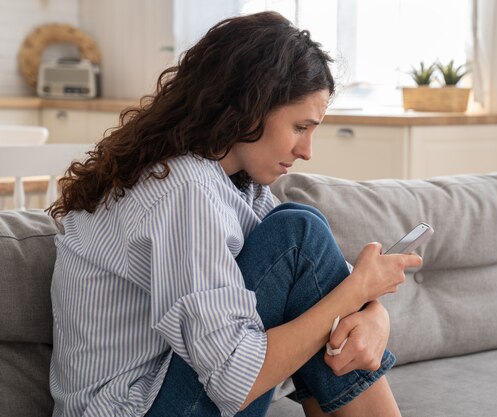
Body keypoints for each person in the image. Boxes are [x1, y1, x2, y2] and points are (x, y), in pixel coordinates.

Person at [47, 11, 421, 417]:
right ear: (250, 107)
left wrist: (374, 314)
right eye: (300, 127)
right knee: (300, 231)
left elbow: (318, 283)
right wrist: (357, 293)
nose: (306, 150)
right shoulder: (183, 189)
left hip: (166, 391)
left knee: (301, 228)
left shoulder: (235, 183)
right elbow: (233, 380)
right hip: (133, 408)